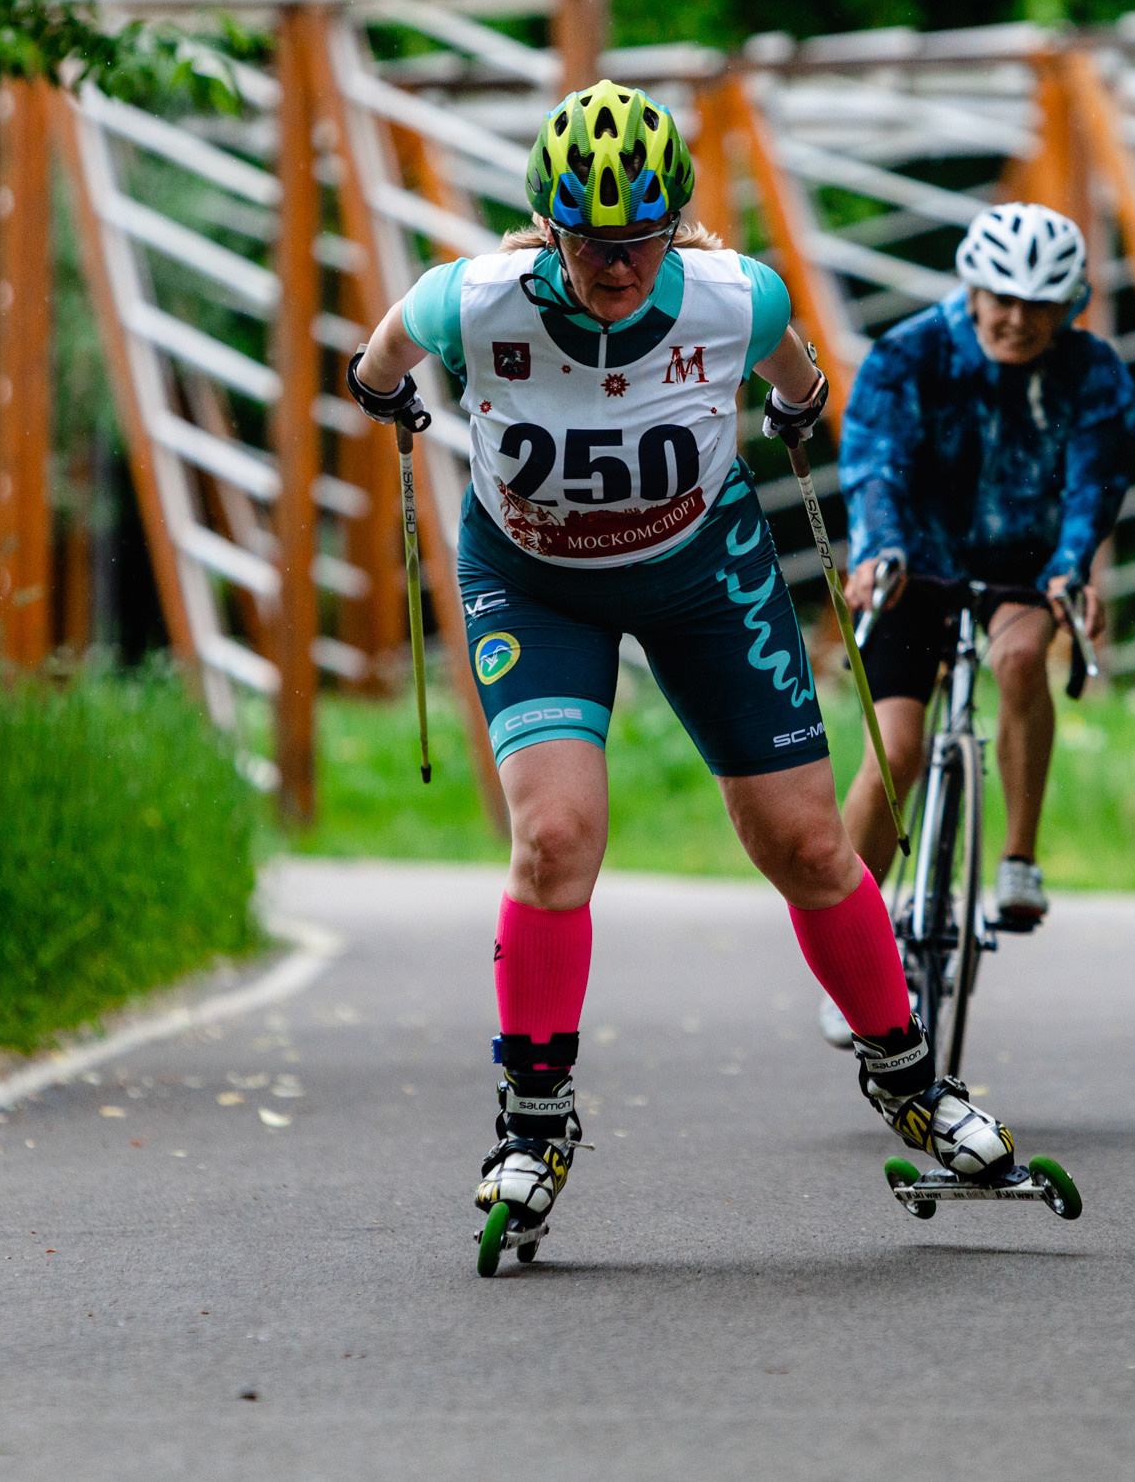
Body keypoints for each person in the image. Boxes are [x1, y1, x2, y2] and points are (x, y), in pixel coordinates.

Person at [343, 81, 1020, 1250]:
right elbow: (379, 358)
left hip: (703, 576)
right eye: (597, 245)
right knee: (553, 837)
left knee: (805, 843)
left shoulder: (735, 296)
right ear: (548, 229)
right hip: (534, 579)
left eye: (646, 240)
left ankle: (909, 1075)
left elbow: (804, 387)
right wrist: (386, 394)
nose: (621, 269)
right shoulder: (473, 301)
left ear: (677, 226)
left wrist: (797, 417)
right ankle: (532, 1120)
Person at [834, 201, 1135, 972]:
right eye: (1002, 298)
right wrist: (878, 549)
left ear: (1069, 307)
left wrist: (1072, 567)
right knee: (895, 750)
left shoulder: (1094, 373)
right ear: (971, 290)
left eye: (1040, 305)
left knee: (1022, 661)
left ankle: (1019, 858)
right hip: (914, 565)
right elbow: (874, 461)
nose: (1017, 319)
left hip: (1024, 567)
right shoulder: (909, 351)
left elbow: (1093, 486)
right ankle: (845, 942)